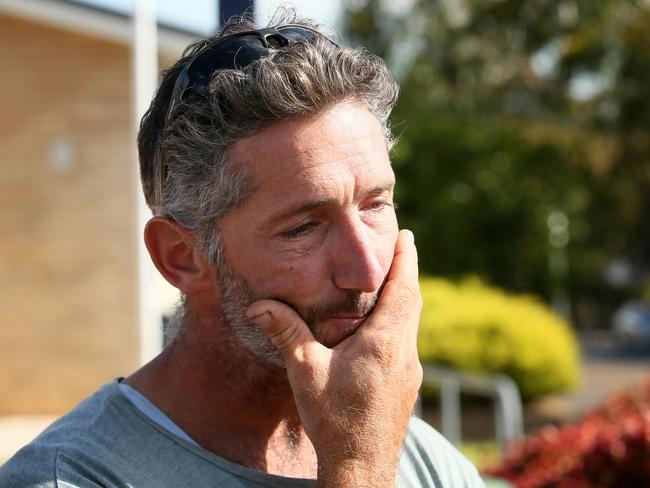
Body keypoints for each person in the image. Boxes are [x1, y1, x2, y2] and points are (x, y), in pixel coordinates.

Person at [0, 13, 485, 487]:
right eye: (303, 228)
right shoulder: (70, 477)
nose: (365, 269)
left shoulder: (425, 459)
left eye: (375, 205)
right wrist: (359, 467)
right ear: (181, 256)